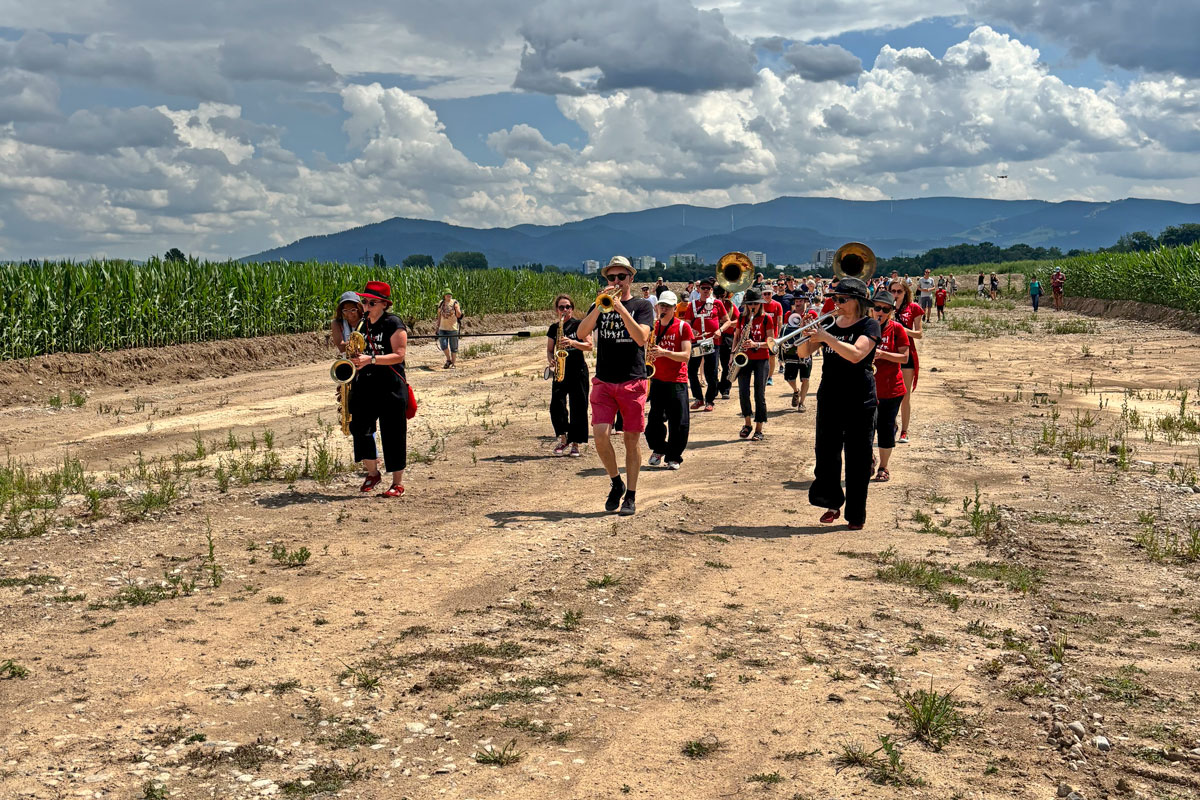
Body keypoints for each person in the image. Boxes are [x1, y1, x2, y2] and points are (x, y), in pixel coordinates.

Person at [794, 277, 880, 530]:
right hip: (830, 396)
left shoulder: (870, 324)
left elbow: (855, 355)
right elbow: (802, 354)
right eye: (835, 299)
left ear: (858, 302)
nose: (837, 303)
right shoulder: (829, 323)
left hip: (859, 398)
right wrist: (810, 336)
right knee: (826, 454)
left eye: (843, 299)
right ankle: (832, 502)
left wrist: (825, 337)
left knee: (858, 458)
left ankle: (856, 515)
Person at [576, 256, 655, 516]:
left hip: (633, 379)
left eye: (621, 277)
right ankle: (615, 482)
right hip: (604, 380)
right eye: (612, 278)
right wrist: (600, 306)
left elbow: (641, 338)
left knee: (632, 441)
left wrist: (621, 309)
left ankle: (631, 495)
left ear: (631, 279)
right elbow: (580, 333)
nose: (617, 281)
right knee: (600, 435)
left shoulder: (642, 305)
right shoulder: (599, 305)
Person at [349, 281, 409, 497]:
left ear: (383, 304)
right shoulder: (362, 325)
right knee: (359, 429)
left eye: (371, 302)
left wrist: (370, 359)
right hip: (365, 385)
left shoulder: (393, 323)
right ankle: (373, 473)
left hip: (390, 386)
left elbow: (399, 355)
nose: (365, 306)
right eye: (363, 301)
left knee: (393, 433)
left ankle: (397, 483)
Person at [645, 291, 694, 470]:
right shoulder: (653, 327)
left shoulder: (683, 327)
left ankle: (674, 457)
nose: (663, 308)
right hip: (657, 379)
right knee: (654, 422)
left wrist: (664, 352)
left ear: (674, 308)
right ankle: (659, 449)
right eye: (661, 305)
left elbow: (686, 356)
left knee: (679, 422)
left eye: (667, 306)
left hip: (677, 380)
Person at [870, 291, 909, 482]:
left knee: (885, 428)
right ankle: (869, 458)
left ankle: (883, 467)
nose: (880, 312)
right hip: (867, 387)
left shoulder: (897, 329)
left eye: (885, 309)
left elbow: (905, 357)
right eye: (877, 308)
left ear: (891, 312)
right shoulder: (864, 328)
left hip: (891, 388)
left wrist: (883, 354)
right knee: (865, 428)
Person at [546, 294, 592, 457]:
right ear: (557, 310)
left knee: (578, 406)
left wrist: (572, 343)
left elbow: (589, 346)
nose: (565, 310)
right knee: (556, 405)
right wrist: (551, 361)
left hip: (578, 370)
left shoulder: (580, 325)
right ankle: (564, 438)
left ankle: (576, 444)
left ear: (572, 309)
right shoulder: (554, 328)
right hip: (560, 370)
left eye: (568, 307)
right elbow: (550, 351)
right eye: (561, 308)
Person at [733, 287, 775, 442]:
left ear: (760, 304)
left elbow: (770, 342)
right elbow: (737, 337)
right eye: (750, 303)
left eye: (755, 304)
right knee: (743, 392)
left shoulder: (766, 319)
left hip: (761, 359)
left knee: (759, 393)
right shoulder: (742, 318)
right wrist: (733, 355)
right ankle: (747, 423)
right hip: (744, 358)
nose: (752, 306)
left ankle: (759, 428)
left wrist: (756, 344)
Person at [680, 278, 728, 412]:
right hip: (696, 342)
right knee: (692, 371)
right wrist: (691, 330)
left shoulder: (717, 303)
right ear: (699, 289)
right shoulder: (692, 305)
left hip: (712, 341)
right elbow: (687, 322)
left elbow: (727, 321)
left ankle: (710, 400)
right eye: (703, 288)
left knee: (711, 372)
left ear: (712, 290)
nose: (706, 290)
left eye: (708, 288)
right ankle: (698, 398)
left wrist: (720, 330)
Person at [889, 279, 923, 444]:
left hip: (906, 352)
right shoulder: (885, 307)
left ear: (905, 292)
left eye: (899, 291)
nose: (895, 294)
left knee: (905, 395)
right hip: (888, 352)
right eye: (893, 291)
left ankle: (904, 430)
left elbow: (919, 334)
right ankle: (892, 424)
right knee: (887, 392)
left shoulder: (913, 308)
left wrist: (902, 329)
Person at [778, 309, 813, 413]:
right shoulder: (787, 327)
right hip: (791, 357)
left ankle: (802, 403)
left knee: (805, 379)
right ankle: (796, 391)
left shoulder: (809, 319)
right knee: (789, 379)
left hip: (805, 357)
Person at [714, 284, 739, 400]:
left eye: (722, 294)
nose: (720, 297)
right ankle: (715, 386)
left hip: (727, 337)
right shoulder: (711, 305)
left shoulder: (731, 306)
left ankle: (725, 389)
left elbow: (738, 320)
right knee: (712, 367)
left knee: (726, 366)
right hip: (713, 338)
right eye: (718, 295)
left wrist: (727, 324)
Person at [760, 285, 784, 385]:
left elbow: (780, 321)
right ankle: (762, 376)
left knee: (772, 356)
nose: (767, 296)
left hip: (772, 335)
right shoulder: (760, 305)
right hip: (761, 335)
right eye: (765, 294)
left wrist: (778, 334)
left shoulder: (777, 305)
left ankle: (770, 377)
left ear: (772, 294)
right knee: (761, 357)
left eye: (769, 294)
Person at [436, 290, 463, 369]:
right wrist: (437, 327)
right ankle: (448, 359)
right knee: (443, 345)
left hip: (453, 328)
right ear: (444, 295)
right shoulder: (441, 303)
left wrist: (458, 310)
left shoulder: (455, 303)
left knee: (453, 347)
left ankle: (453, 363)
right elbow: (439, 316)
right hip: (442, 328)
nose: (449, 295)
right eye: (447, 294)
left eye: (450, 294)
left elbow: (459, 314)